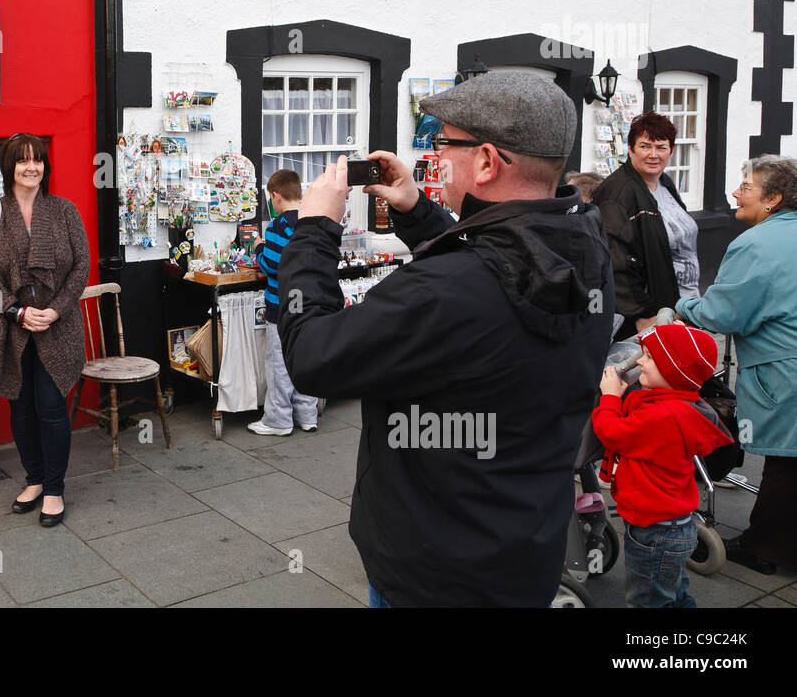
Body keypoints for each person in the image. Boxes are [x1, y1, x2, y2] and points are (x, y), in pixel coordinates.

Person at [278, 71, 614, 607]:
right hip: (524, 544)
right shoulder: (586, 249)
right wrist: (417, 210)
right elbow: (508, 257)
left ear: (485, 161)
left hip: (431, 569)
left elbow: (311, 355)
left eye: (444, 144)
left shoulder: (446, 290)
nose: (436, 159)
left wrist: (314, 229)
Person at [676, 154, 797, 575]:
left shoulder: (756, 243)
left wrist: (680, 305)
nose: (734, 192)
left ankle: (766, 548)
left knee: (785, 462)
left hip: (785, 370)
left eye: (746, 186)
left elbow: (724, 314)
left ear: (773, 198)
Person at [0, 133, 89, 527]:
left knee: (52, 407)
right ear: (10, 167)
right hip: (10, 327)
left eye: (37, 160)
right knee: (20, 407)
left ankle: (54, 488)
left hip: (58, 327)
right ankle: (34, 478)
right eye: (22, 161)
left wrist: (54, 310)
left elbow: (81, 267)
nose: (31, 167)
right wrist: (18, 312)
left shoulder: (64, 210)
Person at [592, 323, 732, 607]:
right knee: (675, 594)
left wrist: (608, 398)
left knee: (649, 601)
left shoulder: (663, 416)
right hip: (672, 526)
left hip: (654, 532)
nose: (639, 361)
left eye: (651, 358)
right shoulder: (680, 406)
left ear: (674, 371)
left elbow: (613, 433)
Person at [592, 112, 698, 339]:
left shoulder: (664, 183)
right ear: (630, 148)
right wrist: (641, 314)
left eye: (661, 147)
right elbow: (614, 261)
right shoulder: (618, 193)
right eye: (645, 146)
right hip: (651, 317)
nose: (653, 155)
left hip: (678, 308)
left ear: (671, 151)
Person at [247, 168, 317, 436]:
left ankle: (278, 420)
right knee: (305, 358)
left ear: (275, 196)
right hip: (308, 303)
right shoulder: (312, 220)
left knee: (279, 362)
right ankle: (307, 414)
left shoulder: (279, 226)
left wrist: (259, 247)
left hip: (281, 304)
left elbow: (270, 265)